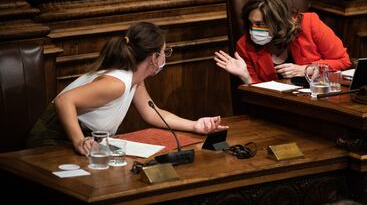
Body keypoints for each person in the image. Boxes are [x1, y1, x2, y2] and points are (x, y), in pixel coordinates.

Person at [27, 22, 228, 155]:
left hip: (80, 139)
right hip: (53, 140)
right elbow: (64, 101)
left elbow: (151, 113)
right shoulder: (118, 82)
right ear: (154, 58)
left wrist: (195, 125)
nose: (166, 56)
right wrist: (79, 141)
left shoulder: (134, 79)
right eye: (164, 51)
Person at [215, 0, 351, 84]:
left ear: (278, 22)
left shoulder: (309, 23)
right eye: (251, 23)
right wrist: (245, 77)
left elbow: (344, 61)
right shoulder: (245, 45)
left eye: (260, 24)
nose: (253, 29)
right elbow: (258, 96)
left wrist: (305, 70)